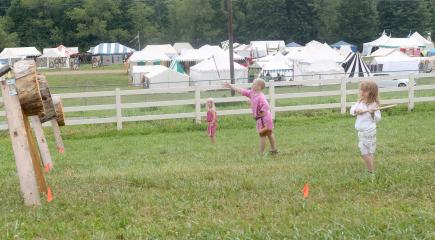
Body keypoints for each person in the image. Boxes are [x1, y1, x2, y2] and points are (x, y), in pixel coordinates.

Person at [224, 79, 278, 156]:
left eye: (254, 84)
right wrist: (231, 86)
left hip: (264, 119)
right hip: (265, 119)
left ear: (259, 87)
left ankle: (261, 153)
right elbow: (242, 91)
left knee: (263, 135)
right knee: (269, 133)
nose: (252, 85)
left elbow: (266, 106)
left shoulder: (260, 96)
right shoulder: (252, 93)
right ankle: (274, 149)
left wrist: (260, 114)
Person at [350, 80, 381, 174]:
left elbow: (377, 119)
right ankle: (371, 170)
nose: (362, 92)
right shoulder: (360, 102)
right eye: (361, 90)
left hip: (368, 131)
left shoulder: (374, 105)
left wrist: (372, 113)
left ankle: (371, 172)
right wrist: (356, 110)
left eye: (365, 90)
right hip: (362, 132)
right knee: (369, 152)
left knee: (364, 152)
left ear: (372, 93)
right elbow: (351, 110)